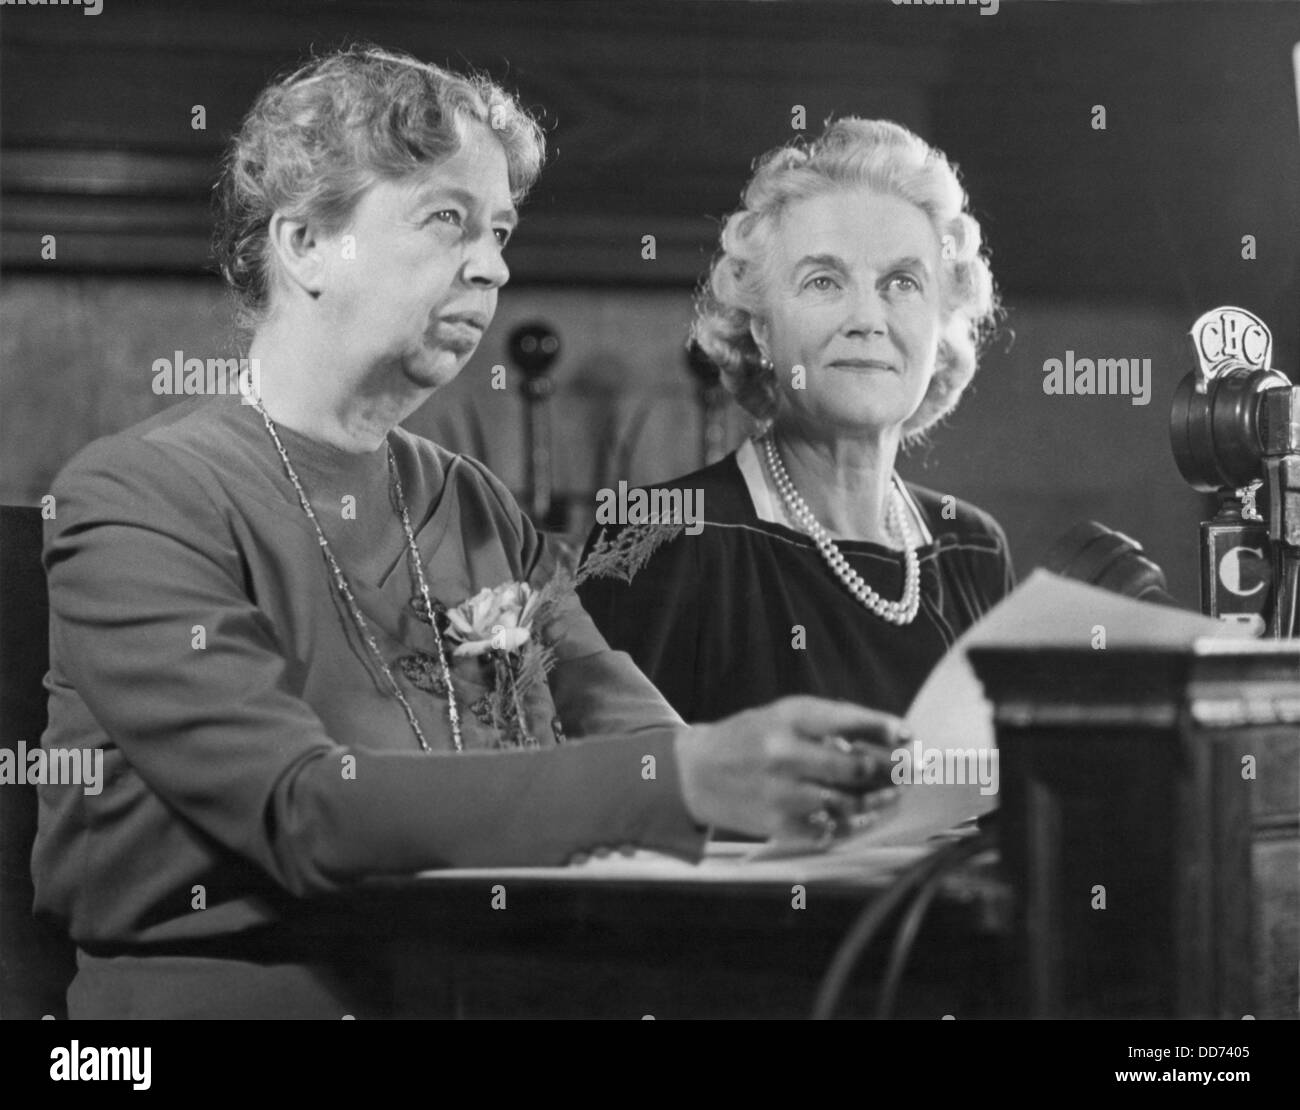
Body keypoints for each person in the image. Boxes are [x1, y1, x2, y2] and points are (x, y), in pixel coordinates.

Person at [30, 48, 904, 1019]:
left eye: (498, 231)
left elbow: (640, 735)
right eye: (446, 220)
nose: (492, 264)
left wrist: (813, 783)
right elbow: (305, 812)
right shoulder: (140, 495)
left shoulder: (473, 501)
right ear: (304, 244)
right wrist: (692, 776)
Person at [579, 119, 1013, 725]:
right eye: (824, 281)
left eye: (903, 283)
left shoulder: (972, 549)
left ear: (941, 325)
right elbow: (620, 796)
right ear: (759, 327)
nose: (868, 317)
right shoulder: (664, 539)